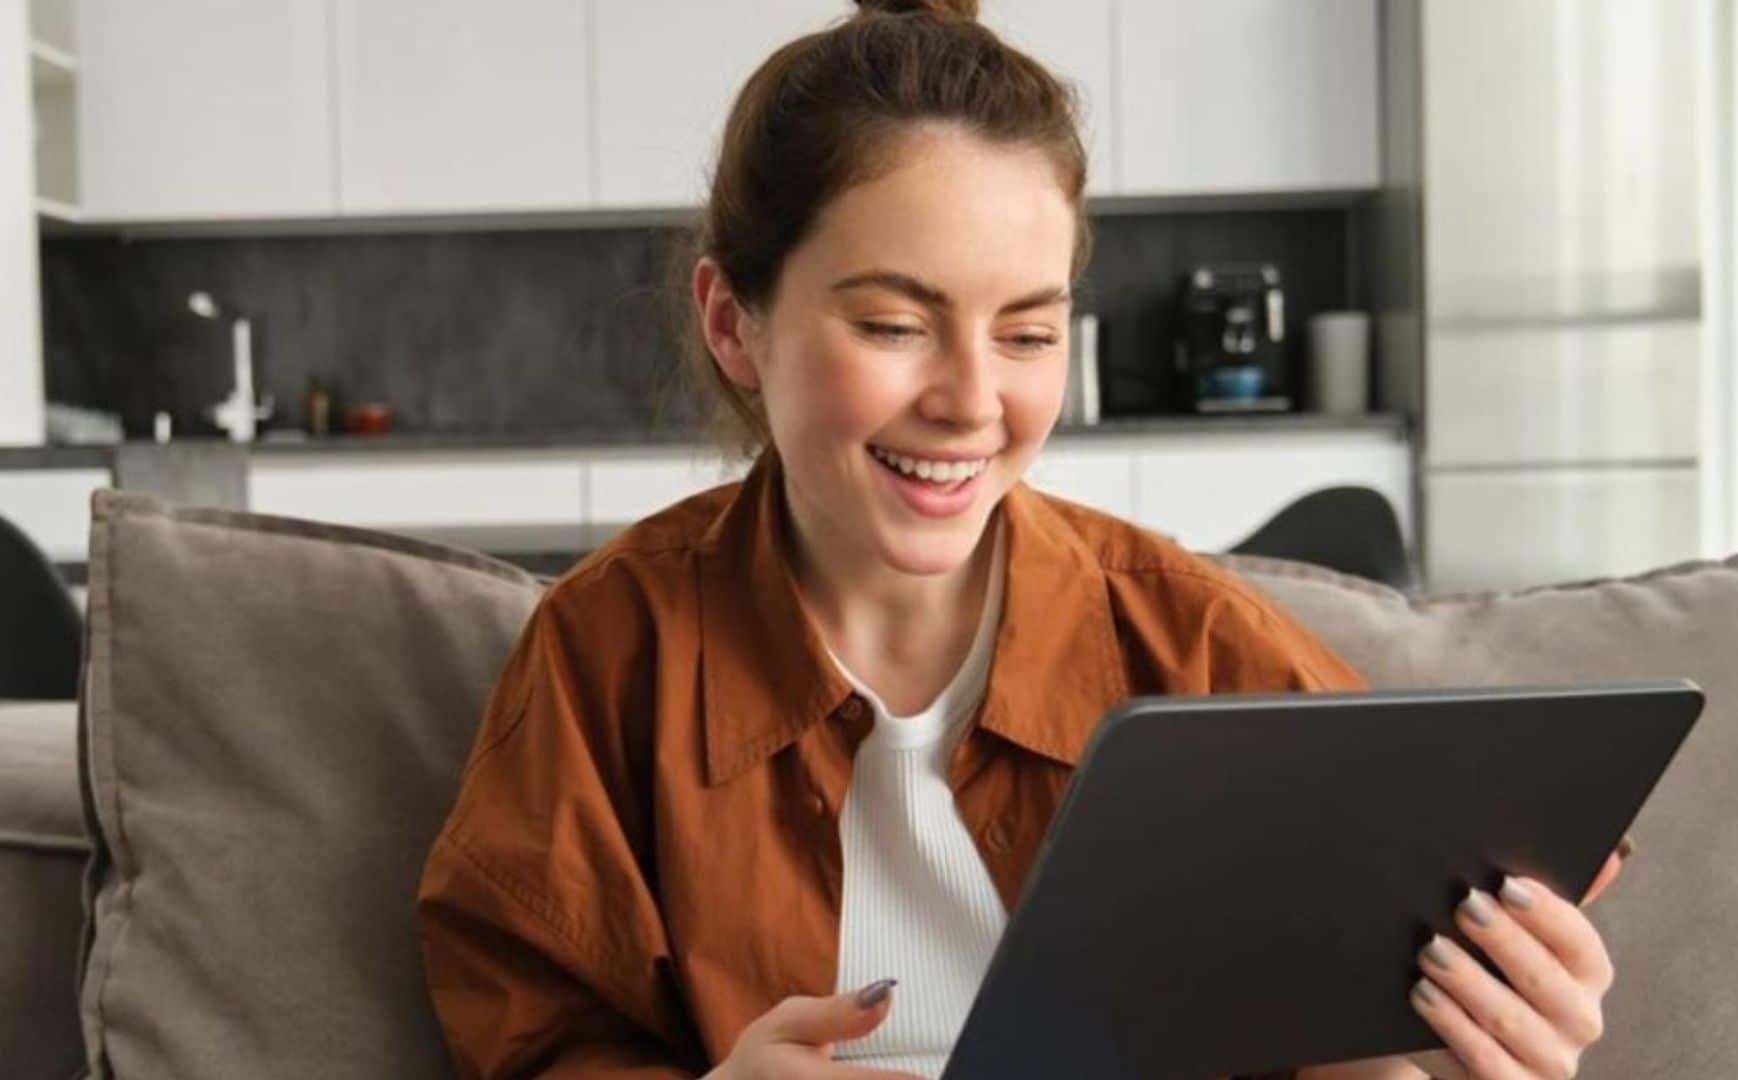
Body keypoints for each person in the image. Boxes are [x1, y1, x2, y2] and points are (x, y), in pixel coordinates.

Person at [416, 2, 1627, 1077]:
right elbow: (531, 1039)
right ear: (734, 321)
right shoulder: (606, 652)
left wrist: (1465, 1048)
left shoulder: (1203, 647)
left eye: (1029, 334)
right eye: (894, 325)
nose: (971, 401)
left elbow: (1351, 1023)